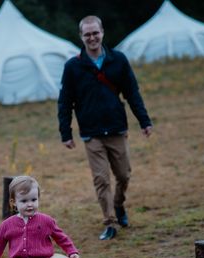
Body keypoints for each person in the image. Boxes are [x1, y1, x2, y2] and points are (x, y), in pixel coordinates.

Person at [58, 15, 153, 241]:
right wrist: (66, 132)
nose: (92, 37)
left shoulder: (118, 60)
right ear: (81, 37)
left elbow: (132, 93)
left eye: (95, 33)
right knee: (101, 179)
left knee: (123, 175)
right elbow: (65, 101)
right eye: (87, 34)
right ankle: (110, 222)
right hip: (91, 133)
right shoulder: (73, 67)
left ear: (102, 32)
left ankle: (119, 205)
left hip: (116, 128)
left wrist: (144, 121)